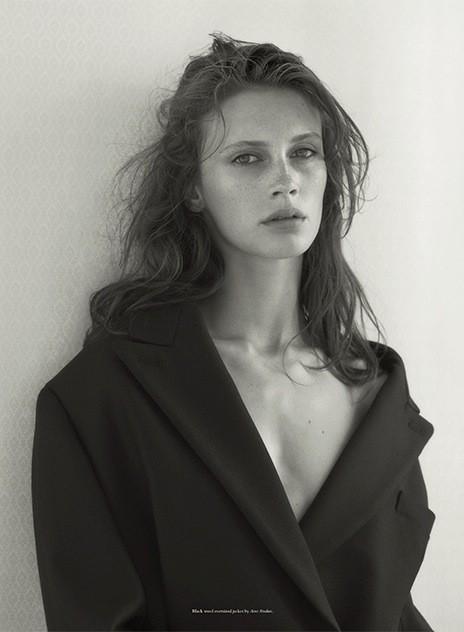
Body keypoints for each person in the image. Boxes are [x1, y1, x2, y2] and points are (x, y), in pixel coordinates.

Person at [31, 33, 436, 631]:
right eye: (247, 158)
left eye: (305, 152)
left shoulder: (377, 394)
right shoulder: (106, 396)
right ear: (192, 188)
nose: (286, 180)